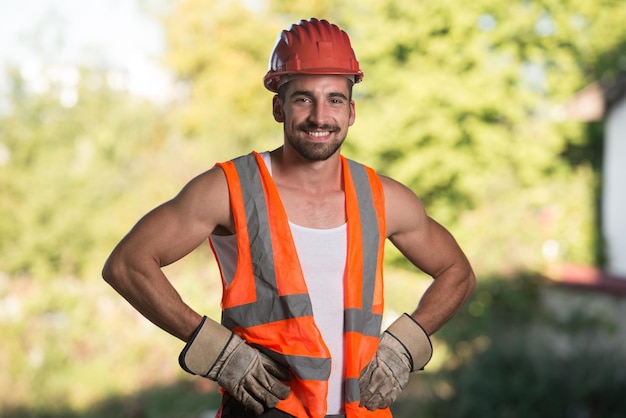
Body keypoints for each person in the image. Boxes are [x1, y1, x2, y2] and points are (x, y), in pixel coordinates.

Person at [102, 17, 475, 418]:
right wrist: (215, 349)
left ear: (351, 111)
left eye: (334, 99)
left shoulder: (383, 197)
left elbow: (458, 273)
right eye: (303, 98)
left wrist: (404, 346)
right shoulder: (229, 189)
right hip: (267, 410)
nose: (319, 116)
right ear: (279, 106)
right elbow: (127, 264)